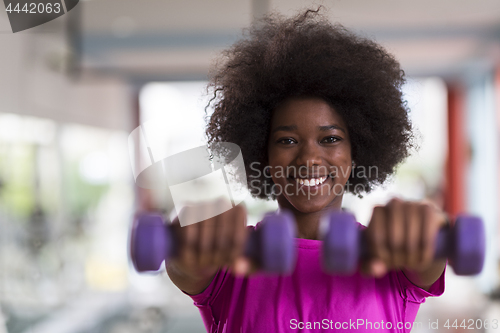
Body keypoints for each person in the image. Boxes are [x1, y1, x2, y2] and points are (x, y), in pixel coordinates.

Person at [166, 8, 446, 332]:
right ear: (262, 153)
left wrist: (423, 233)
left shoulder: (391, 257)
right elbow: (184, 267)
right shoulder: (230, 260)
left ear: (356, 152)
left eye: (329, 138)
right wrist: (186, 241)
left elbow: (428, 262)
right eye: (287, 140)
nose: (309, 158)